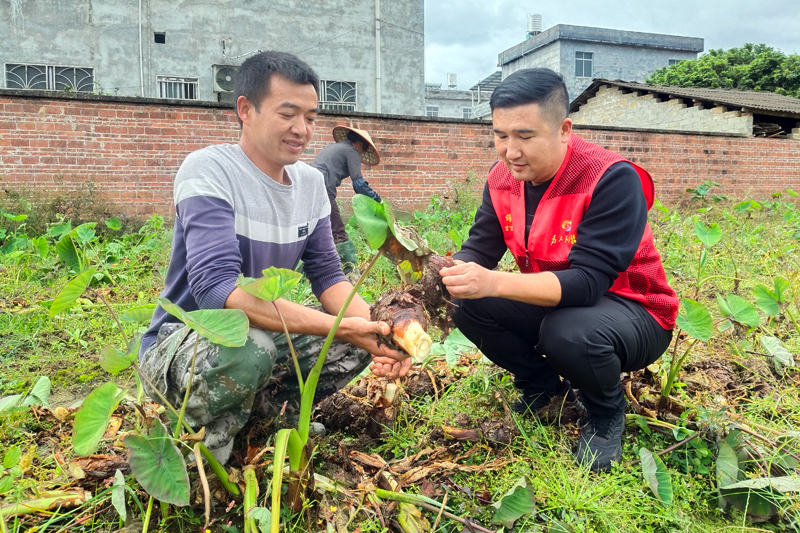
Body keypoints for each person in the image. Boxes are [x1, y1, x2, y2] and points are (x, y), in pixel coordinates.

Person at [138, 51, 409, 463]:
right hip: (184, 346)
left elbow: (329, 277)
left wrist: (379, 331)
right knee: (255, 345)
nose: (302, 129)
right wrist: (344, 327)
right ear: (245, 109)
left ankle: (268, 417)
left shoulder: (310, 184)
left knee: (356, 339)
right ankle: (202, 444)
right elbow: (217, 290)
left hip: (257, 336)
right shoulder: (209, 170)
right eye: (288, 114)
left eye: (311, 117)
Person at [440, 68, 679, 472]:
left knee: (568, 330)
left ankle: (605, 414)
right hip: (560, 303)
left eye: (525, 136)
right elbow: (479, 248)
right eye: (500, 135)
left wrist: (492, 282)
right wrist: (444, 278)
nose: (510, 151)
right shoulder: (502, 179)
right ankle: (544, 388)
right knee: (464, 302)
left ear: (564, 130)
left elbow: (587, 283)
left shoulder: (610, 178)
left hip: (636, 312)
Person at [311, 126, 382, 278]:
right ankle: (351, 274)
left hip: (310, 186)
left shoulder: (336, 147)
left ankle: (311, 273)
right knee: (338, 233)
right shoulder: (352, 151)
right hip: (322, 189)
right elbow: (358, 184)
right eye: (363, 150)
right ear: (360, 144)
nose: (361, 154)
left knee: (316, 231)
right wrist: (377, 199)